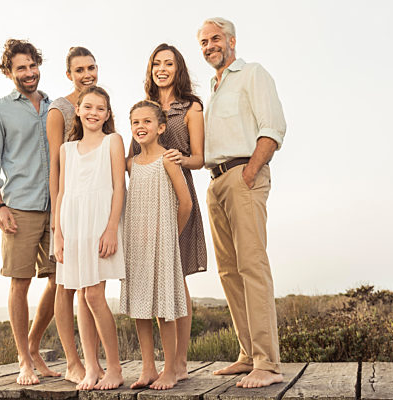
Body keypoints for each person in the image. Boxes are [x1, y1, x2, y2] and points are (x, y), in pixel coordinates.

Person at [197, 18, 287, 388]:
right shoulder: (214, 89)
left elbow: (273, 127)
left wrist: (250, 171)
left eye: (215, 38)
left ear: (232, 41)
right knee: (228, 272)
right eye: (203, 41)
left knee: (252, 266)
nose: (208, 46)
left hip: (242, 175)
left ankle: (267, 362)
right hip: (215, 182)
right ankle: (248, 354)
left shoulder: (252, 74)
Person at [0, 39, 61, 385]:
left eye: (32, 66)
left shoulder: (57, 106)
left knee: (61, 279)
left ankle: (33, 345)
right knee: (20, 281)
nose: (29, 73)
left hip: (58, 205)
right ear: (9, 73)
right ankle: (24, 360)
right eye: (21, 68)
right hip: (20, 207)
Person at [128, 43, 207, 381]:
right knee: (149, 283)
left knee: (178, 280)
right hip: (146, 197)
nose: (162, 69)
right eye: (156, 63)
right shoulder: (143, 108)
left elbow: (199, 159)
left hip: (176, 192)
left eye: (169, 64)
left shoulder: (191, 107)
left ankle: (179, 363)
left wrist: (176, 158)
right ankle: (155, 365)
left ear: (179, 69)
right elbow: (133, 157)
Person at [53, 86, 126, 390]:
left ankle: (116, 368)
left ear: (108, 114)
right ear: (78, 110)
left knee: (94, 294)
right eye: (88, 107)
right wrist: (57, 234)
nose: (94, 113)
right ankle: (91, 369)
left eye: (101, 108)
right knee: (81, 295)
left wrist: (111, 227)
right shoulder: (66, 150)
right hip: (73, 225)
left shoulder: (113, 141)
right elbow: (61, 194)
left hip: (100, 223)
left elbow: (119, 189)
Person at [121, 100, 193, 390]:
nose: (141, 127)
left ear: (161, 127)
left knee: (164, 308)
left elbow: (185, 203)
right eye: (135, 122)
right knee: (140, 306)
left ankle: (171, 370)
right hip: (136, 241)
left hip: (163, 243)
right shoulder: (131, 165)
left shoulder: (168, 159)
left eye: (147, 122)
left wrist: (170, 236)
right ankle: (148, 367)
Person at [46, 46, 102, 384]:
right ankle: (72, 362)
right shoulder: (60, 110)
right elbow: (55, 165)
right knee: (65, 286)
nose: (87, 74)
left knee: (91, 287)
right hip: (66, 206)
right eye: (80, 70)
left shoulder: (98, 106)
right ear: (69, 74)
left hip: (92, 210)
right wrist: (57, 216)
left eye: (91, 68)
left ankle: (93, 362)